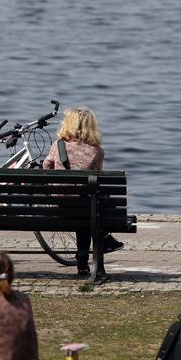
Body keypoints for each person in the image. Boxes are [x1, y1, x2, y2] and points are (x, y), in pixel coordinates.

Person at [42, 106, 123, 276]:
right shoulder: (96, 151)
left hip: (60, 210)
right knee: (89, 204)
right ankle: (86, 261)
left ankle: (86, 260)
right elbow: (97, 179)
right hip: (86, 211)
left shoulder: (57, 146)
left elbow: (46, 167)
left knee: (83, 205)